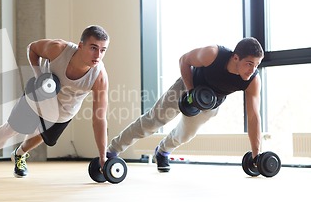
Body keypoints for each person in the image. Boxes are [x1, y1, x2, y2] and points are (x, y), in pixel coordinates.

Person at [106, 37, 264, 172]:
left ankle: (162, 152)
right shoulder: (213, 54)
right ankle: (112, 151)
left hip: (210, 103)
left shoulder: (253, 81)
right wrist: (191, 92)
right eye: (249, 64)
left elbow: (253, 117)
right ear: (236, 58)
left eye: (256, 65)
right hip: (187, 87)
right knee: (152, 121)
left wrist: (256, 155)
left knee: (186, 134)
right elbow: (184, 60)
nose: (252, 70)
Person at [0, 25, 110, 177]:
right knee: (12, 129)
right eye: (93, 48)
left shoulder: (99, 77)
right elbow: (32, 49)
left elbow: (99, 118)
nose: (98, 55)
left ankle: (19, 154)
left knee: (42, 135)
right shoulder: (58, 49)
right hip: (39, 97)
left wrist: (103, 156)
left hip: (63, 112)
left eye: (103, 50)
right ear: (80, 45)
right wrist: (39, 76)